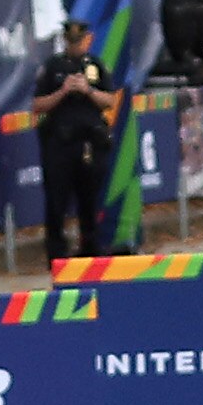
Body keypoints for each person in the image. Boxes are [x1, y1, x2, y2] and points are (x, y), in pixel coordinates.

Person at [31, 19, 121, 262]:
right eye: (71, 42)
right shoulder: (53, 67)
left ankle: (90, 249)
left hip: (90, 143)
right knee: (57, 201)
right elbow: (37, 105)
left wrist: (87, 90)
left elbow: (110, 101)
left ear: (87, 40)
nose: (75, 46)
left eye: (79, 41)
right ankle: (56, 253)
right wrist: (63, 91)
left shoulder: (96, 66)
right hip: (61, 145)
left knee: (89, 200)